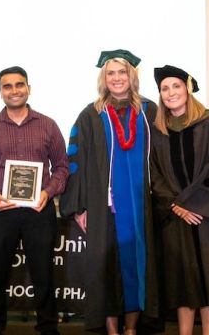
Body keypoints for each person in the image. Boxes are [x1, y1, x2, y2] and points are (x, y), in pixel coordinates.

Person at [60, 50, 161, 335]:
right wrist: (80, 206)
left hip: (141, 206)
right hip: (104, 207)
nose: (117, 78)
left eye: (122, 72)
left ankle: (131, 328)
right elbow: (75, 162)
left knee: (135, 264)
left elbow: (161, 159)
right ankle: (112, 329)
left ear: (132, 76)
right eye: (111, 73)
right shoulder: (91, 115)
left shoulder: (149, 111)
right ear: (103, 78)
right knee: (106, 268)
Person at [0, 66, 69, 335]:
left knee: (44, 276)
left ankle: (48, 329)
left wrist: (48, 192)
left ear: (28, 88)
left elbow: (62, 167)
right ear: (1, 92)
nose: (14, 90)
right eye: (8, 86)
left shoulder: (48, 125)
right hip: (1, 211)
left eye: (19, 84)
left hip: (40, 210)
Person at [150, 65, 209, 335]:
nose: (170, 92)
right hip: (175, 216)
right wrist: (175, 205)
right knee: (182, 279)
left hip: (207, 215)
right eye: (165, 88)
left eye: (176, 86)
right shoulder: (157, 131)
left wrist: (190, 204)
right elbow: (154, 174)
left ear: (187, 89)